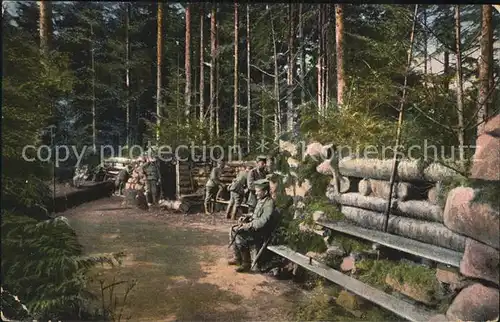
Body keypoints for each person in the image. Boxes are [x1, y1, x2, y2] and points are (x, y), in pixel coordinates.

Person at [228, 179, 278, 273]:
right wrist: (247, 216)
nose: (255, 193)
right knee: (232, 229)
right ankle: (237, 257)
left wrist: (248, 225)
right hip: (256, 229)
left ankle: (246, 263)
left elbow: (263, 221)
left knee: (239, 234)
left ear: (265, 192)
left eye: (258, 191)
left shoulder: (269, 203)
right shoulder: (262, 200)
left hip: (262, 232)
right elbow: (256, 215)